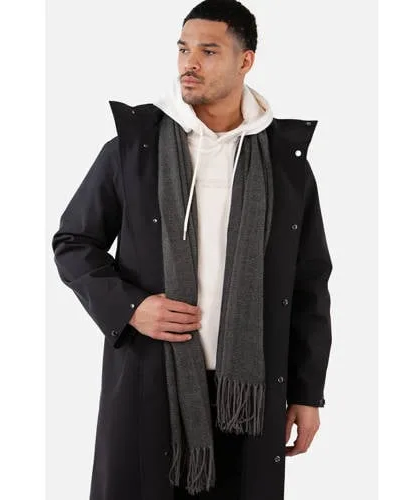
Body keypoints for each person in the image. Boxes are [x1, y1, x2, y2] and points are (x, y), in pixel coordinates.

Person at [51, 1, 333, 499]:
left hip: (248, 393)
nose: (190, 63)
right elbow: (74, 242)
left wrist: (307, 393)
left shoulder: (284, 163)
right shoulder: (136, 149)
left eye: (208, 51)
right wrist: (131, 307)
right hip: (151, 380)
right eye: (183, 49)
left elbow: (309, 281)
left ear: (245, 60)